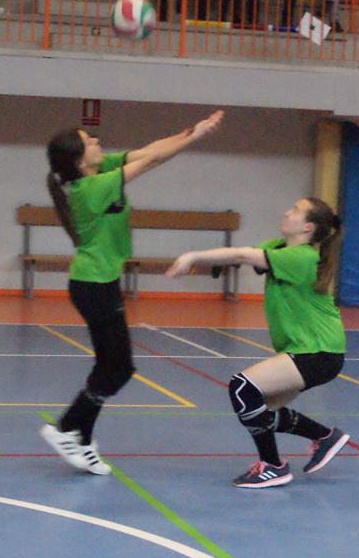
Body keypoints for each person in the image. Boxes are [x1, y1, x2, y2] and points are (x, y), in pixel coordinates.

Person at [40, 111, 224, 473]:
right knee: (120, 368)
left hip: (100, 282)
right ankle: (64, 428)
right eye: (88, 141)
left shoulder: (98, 170)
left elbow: (150, 150)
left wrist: (192, 131)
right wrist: (194, 137)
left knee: (108, 365)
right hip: (93, 286)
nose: (96, 141)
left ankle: (83, 437)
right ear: (79, 159)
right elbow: (152, 160)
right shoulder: (92, 187)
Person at [165, 197, 349, 488]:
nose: (287, 212)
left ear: (307, 227)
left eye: (296, 211)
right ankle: (326, 437)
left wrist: (194, 256)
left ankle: (273, 466)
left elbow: (244, 254)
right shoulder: (279, 246)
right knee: (263, 409)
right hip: (309, 349)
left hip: (318, 350)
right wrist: (212, 262)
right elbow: (242, 255)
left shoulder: (302, 257)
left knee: (243, 388)